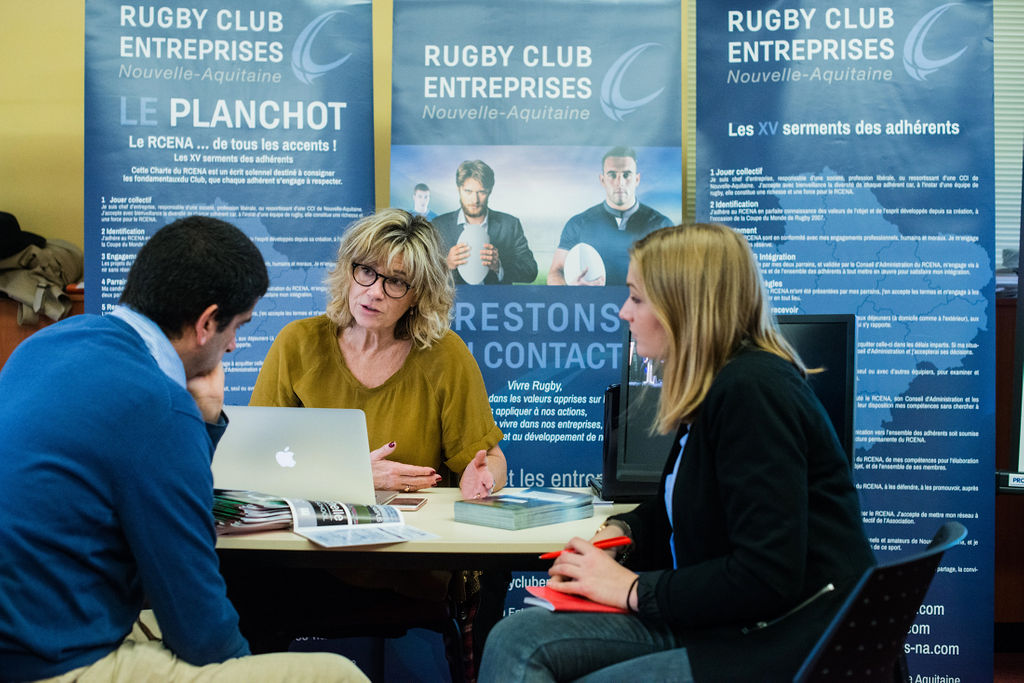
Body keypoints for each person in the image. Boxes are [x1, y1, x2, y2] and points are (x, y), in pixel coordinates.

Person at [479, 223, 874, 682]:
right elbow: (682, 505)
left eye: (637, 298)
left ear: (684, 307)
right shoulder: (720, 385)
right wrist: (622, 531)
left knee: (546, 659)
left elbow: (766, 576)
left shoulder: (753, 392)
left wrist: (631, 588)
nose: (624, 312)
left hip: (784, 640)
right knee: (515, 638)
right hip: (728, 623)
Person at [0, 216, 366, 682]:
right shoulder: (158, 407)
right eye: (236, 327)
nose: (232, 346)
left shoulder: (49, 341)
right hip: (48, 662)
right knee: (336, 674)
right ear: (207, 323)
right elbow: (198, 629)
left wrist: (204, 418)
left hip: (29, 629)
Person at [251, 208, 506, 497]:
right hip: (316, 520)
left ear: (417, 295)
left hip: (418, 524)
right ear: (348, 272)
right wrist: (353, 474)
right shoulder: (297, 342)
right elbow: (256, 457)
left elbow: (492, 460)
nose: (374, 292)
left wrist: (484, 478)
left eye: (396, 281)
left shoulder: (445, 354)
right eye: (367, 271)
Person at [548, 146, 672, 286]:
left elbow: (678, 279)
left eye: (626, 175)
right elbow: (555, 273)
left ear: (637, 179)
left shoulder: (662, 226)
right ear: (602, 180)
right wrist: (573, 289)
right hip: (592, 301)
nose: (620, 182)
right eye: (612, 175)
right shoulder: (578, 224)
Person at [432, 159, 538, 285]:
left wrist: (499, 267)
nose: (475, 200)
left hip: (496, 297)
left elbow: (530, 271)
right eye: (468, 191)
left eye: (481, 192)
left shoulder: (510, 225)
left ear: (490, 191)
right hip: (455, 297)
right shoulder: (438, 225)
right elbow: (419, 274)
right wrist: (445, 265)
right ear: (458, 189)